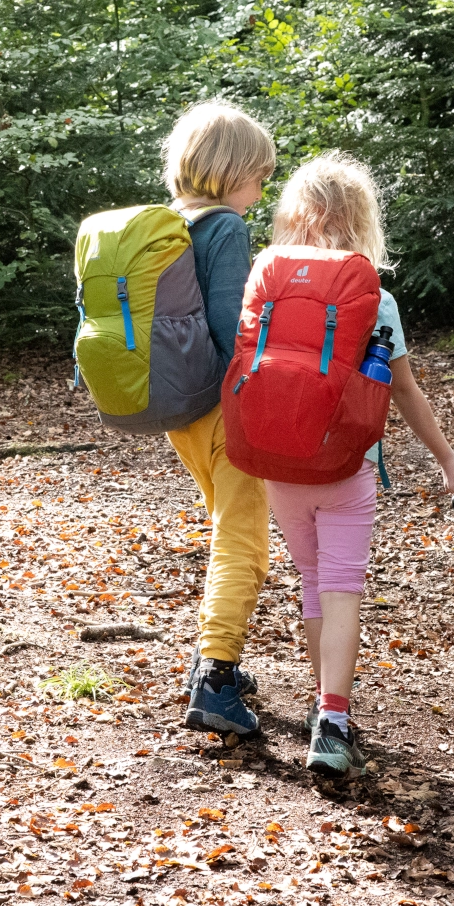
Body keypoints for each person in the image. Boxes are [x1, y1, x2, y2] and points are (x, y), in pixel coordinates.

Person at [257, 152, 454, 778]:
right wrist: (448, 461)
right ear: (361, 219)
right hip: (346, 464)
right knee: (342, 584)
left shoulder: (266, 279)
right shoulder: (374, 296)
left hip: (277, 463)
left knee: (310, 580)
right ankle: (333, 719)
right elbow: (403, 391)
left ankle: (321, 702)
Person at [159, 101, 278, 739]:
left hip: (177, 408)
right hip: (222, 406)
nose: (259, 193)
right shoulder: (225, 227)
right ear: (231, 172)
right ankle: (216, 676)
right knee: (244, 544)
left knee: (226, 530)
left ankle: (211, 656)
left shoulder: (166, 223)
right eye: (258, 177)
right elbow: (239, 327)